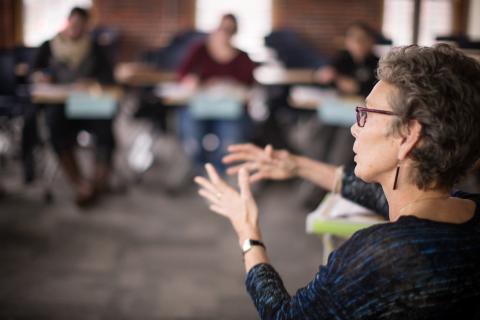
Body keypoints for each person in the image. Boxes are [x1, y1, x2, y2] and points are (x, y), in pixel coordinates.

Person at [194, 44, 480, 319]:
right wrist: (297, 165)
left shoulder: (384, 256)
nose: (355, 128)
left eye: (366, 114)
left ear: (407, 136)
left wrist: (248, 233)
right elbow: (379, 199)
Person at [31, 7, 115, 206]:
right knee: (54, 126)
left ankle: (98, 181)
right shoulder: (49, 46)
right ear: (67, 23)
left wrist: (93, 82)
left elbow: (109, 78)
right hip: (59, 105)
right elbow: (33, 72)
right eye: (73, 24)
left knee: (106, 127)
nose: (76, 28)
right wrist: (42, 77)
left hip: (87, 105)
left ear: (87, 27)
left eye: (81, 25)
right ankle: (79, 182)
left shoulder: (95, 48)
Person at [177, 13, 256, 174]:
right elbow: (182, 73)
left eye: (229, 30)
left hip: (230, 110)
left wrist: (230, 86)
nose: (224, 33)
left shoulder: (242, 57)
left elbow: (250, 86)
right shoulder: (200, 50)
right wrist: (191, 80)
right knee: (192, 138)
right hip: (200, 106)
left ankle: (219, 173)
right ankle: (201, 169)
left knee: (230, 142)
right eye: (222, 28)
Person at [315, 21, 380, 97]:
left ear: (371, 41)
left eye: (362, 39)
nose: (357, 43)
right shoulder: (341, 59)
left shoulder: (378, 64)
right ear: (347, 41)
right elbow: (325, 77)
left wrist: (357, 87)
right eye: (353, 39)